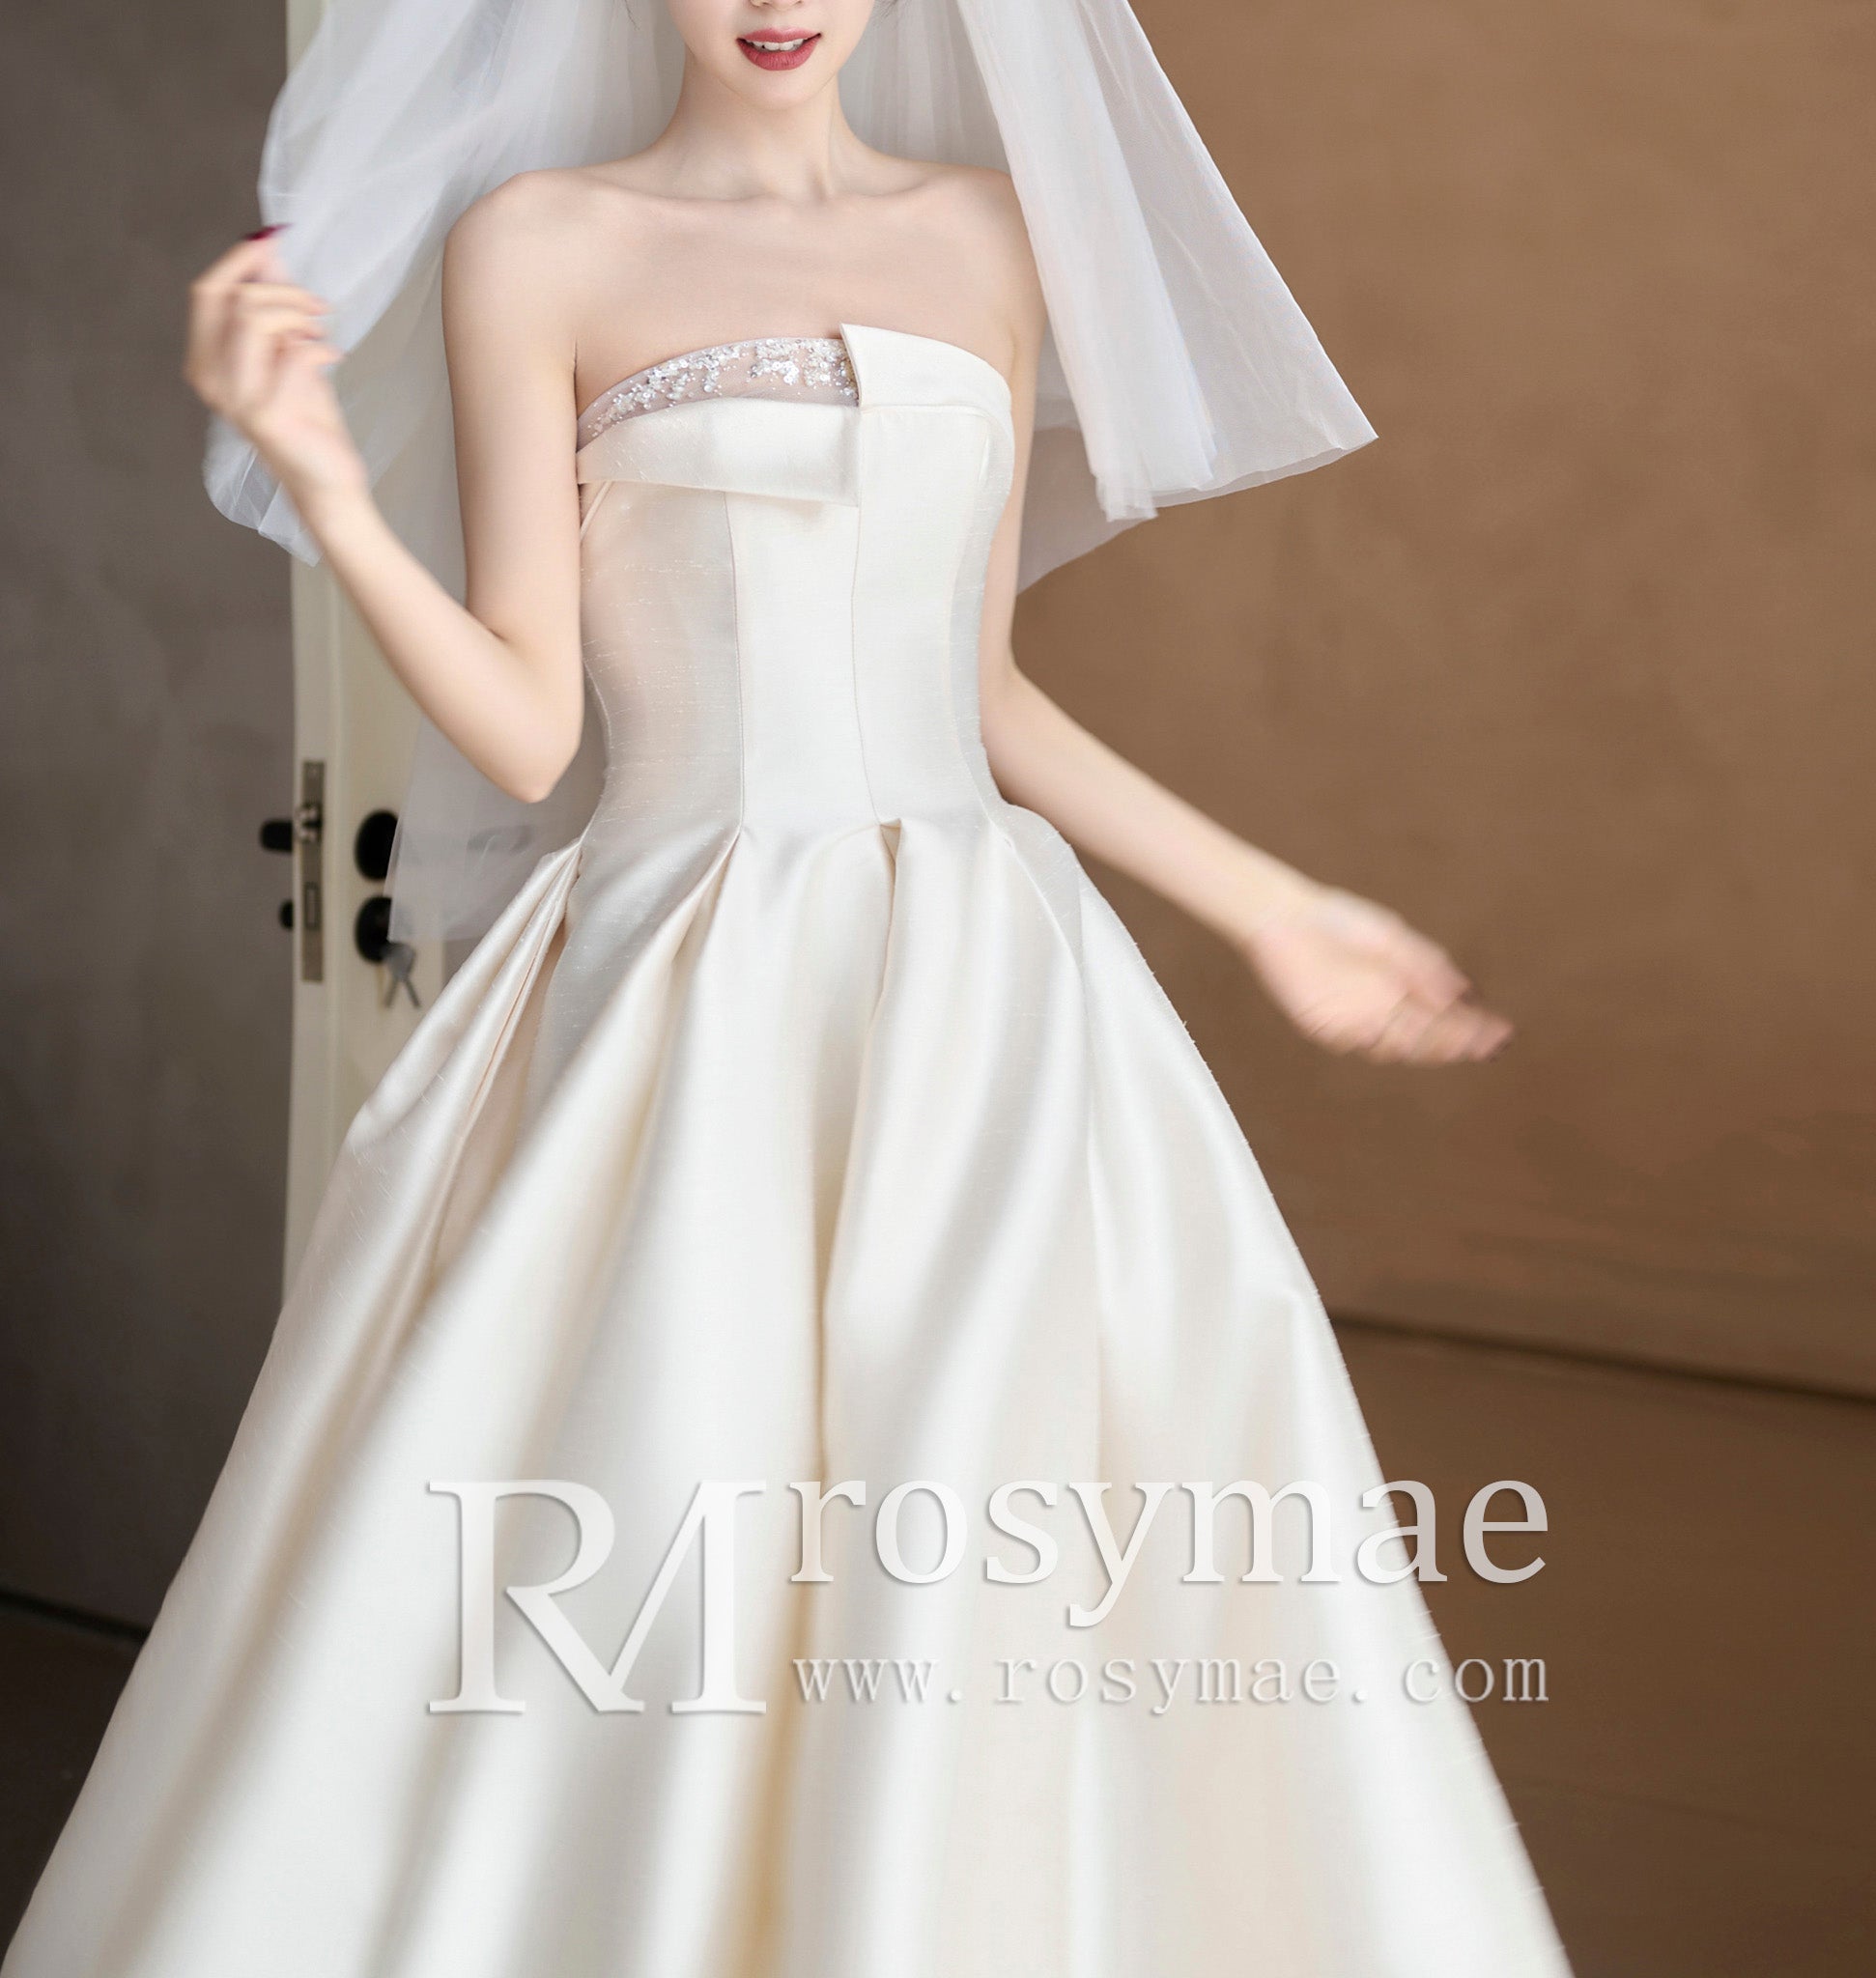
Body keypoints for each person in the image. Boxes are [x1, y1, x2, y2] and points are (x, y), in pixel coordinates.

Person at [7, 3, 1568, 1973]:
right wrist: (321, 482)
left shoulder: (994, 233)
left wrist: (1272, 907)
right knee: (663, 1494)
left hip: (984, 994)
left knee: (994, 1518)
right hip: (687, 978)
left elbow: (982, 693)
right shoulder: (539, 241)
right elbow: (527, 722)